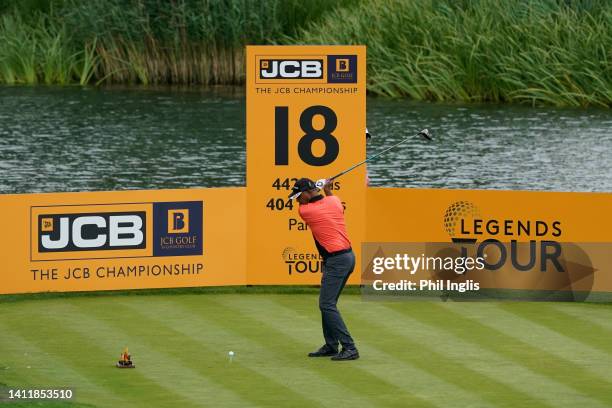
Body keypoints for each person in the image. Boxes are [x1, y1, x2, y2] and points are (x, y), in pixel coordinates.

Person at [288, 178, 359, 361]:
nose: (297, 201)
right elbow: (329, 200)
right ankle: (331, 345)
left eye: (298, 196)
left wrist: (320, 188)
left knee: (326, 305)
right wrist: (326, 188)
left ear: (306, 193)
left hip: (337, 261)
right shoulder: (334, 201)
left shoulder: (305, 210)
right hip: (347, 257)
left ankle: (349, 347)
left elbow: (313, 202)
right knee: (329, 304)